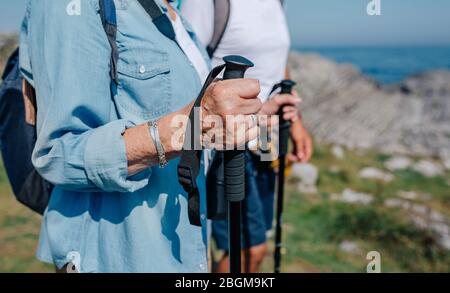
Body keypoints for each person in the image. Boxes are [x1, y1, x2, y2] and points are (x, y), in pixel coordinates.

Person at [19, 0, 299, 272]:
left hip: (182, 246)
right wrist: (190, 126)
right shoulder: (70, 5)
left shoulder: (172, 12)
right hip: (117, 254)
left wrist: (254, 115)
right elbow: (59, 153)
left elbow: (186, 116)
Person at [181, 0, 314, 272]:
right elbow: (185, 62)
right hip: (226, 139)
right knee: (246, 249)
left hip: (266, 136)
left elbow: (276, 60)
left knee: (258, 239)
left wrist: (297, 123)